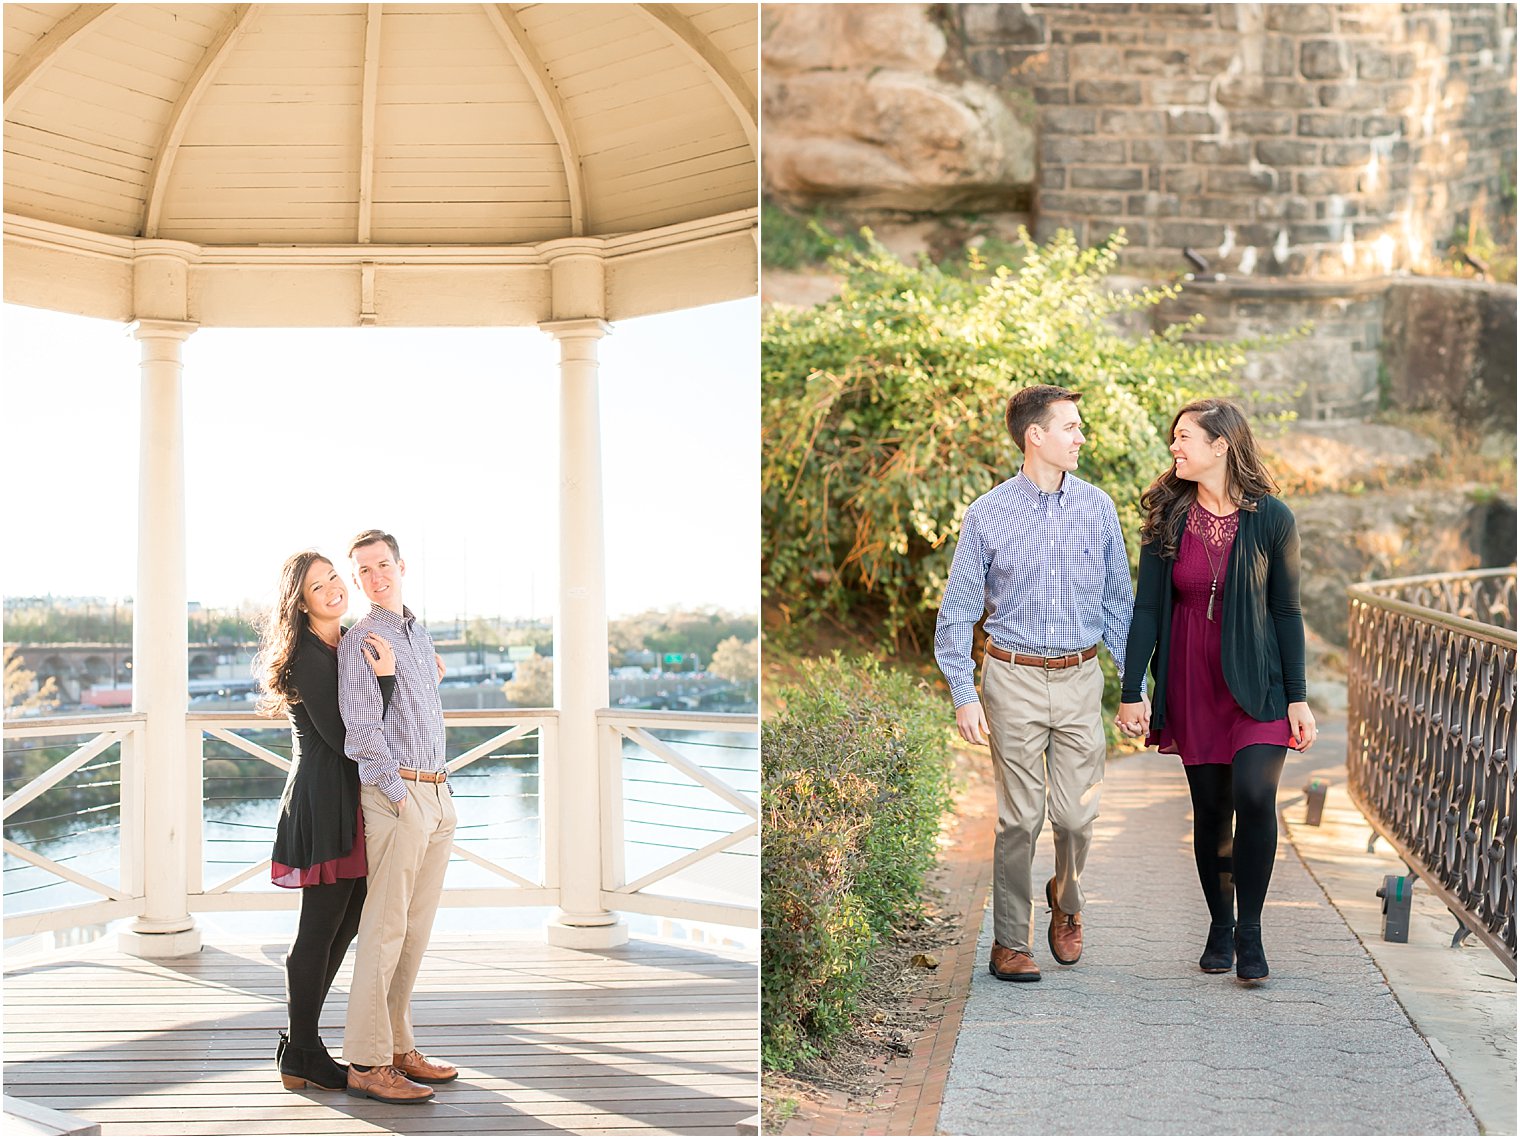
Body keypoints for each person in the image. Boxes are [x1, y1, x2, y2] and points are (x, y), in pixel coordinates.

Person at [935, 384, 1138, 983]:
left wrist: (1134, 687)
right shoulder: (987, 513)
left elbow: (1118, 605)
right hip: (1011, 678)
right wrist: (964, 692)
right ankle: (1009, 942)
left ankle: (1065, 899)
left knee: (1076, 818)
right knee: (1020, 818)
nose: (1081, 437)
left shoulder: (1098, 507)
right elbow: (958, 609)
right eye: (1071, 427)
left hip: (1079, 678)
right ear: (1036, 436)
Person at [1117, 398, 1317, 984]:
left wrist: (1298, 696)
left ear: (1221, 445)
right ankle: (1219, 926)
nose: (1174, 448)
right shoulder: (1167, 518)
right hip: (1191, 681)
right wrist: (1133, 689)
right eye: (1173, 438)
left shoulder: (1273, 518)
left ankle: (1250, 932)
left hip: (1259, 684)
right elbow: (1148, 608)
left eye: (1184, 437)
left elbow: (1287, 610)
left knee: (1255, 795)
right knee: (1211, 809)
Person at [254, 550, 396, 1091]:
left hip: (346, 797)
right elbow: (343, 739)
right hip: (322, 799)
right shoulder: (308, 657)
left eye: (335, 576)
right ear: (301, 601)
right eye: (319, 585)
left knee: (349, 916)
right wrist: (382, 682)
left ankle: (300, 1041)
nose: (334, 587)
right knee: (318, 927)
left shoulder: (345, 643)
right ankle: (303, 1051)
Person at [338, 528, 458, 1104]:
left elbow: (414, 708)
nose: (376, 577)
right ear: (357, 578)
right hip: (399, 797)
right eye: (364, 571)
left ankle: (397, 1045)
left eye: (383, 565)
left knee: (414, 932)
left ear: (402, 566)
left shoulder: (415, 628)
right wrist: (398, 793)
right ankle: (365, 1060)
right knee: (384, 931)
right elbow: (361, 730)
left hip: (436, 792)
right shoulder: (361, 639)